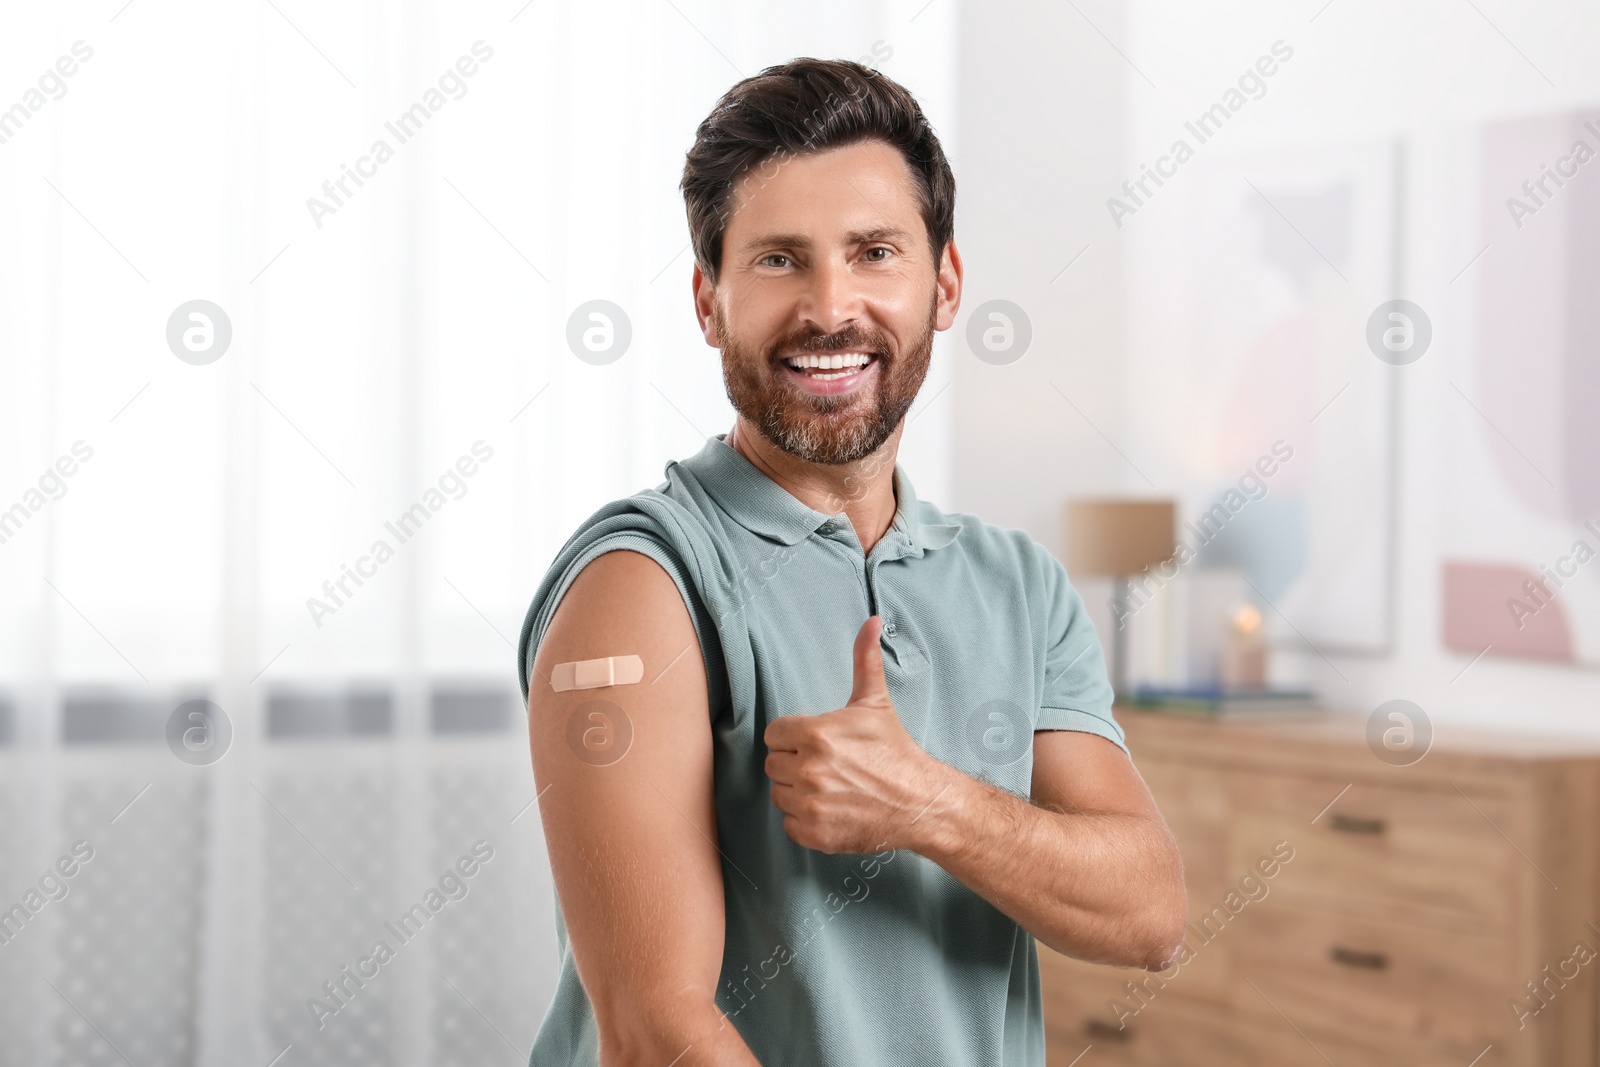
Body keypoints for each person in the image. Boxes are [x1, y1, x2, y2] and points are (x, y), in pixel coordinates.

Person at [516, 57, 1186, 1067]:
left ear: (944, 283)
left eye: (874, 251)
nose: (831, 307)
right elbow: (657, 1032)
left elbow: (1151, 913)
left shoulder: (1019, 584)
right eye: (780, 259)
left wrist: (928, 803)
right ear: (708, 302)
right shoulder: (639, 583)